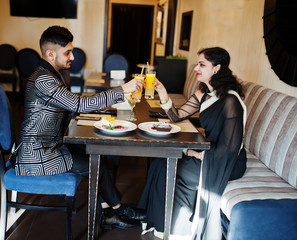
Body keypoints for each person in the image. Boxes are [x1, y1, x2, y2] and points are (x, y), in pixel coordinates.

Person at [15, 25, 146, 229]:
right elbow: (79, 105)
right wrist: (121, 90)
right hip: (38, 154)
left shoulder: (50, 74)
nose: (73, 57)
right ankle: (118, 211)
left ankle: (111, 212)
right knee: (96, 165)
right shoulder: (43, 80)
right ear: (50, 53)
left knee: (96, 155)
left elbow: (74, 104)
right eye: (67, 52)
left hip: (50, 145)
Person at [138, 47, 247, 239]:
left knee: (175, 168)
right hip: (210, 149)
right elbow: (177, 116)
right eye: (197, 63)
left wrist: (197, 154)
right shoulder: (204, 93)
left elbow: (230, 147)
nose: (196, 67)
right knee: (160, 162)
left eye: (202, 64)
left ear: (217, 68)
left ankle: (177, 231)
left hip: (226, 161)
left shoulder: (230, 100)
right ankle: (159, 223)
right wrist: (162, 92)